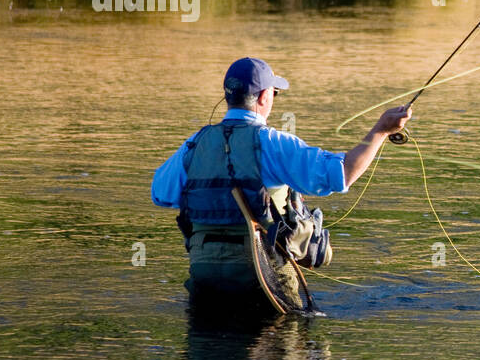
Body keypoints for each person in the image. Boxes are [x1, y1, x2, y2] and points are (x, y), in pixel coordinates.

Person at [152, 57, 409, 311]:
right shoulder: (273, 143)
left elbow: (160, 194)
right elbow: (342, 173)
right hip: (264, 276)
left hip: (205, 274)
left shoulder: (193, 145)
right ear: (264, 96)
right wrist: (380, 131)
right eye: (275, 93)